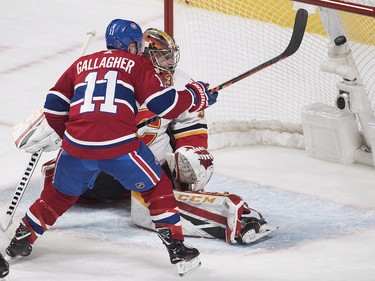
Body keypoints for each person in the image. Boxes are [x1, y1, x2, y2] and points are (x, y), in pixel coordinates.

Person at [10, 28, 276, 247]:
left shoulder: (179, 81)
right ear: (141, 55)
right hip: (112, 168)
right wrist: (61, 132)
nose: (169, 63)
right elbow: (68, 112)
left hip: (147, 164)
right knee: (80, 176)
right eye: (160, 57)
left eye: (169, 56)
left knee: (149, 201)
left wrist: (192, 154)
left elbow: (190, 130)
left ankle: (232, 217)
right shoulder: (119, 77)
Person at [2, 18, 218, 277]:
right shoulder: (137, 64)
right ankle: (177, 249)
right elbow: (164, 104)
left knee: (58, 195)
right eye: (137, 46)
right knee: (156, 186)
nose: (139, 51)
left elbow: (52, 106)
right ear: (131, 46)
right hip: (119, 148)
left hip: (76, 148)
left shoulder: (81, 63)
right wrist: (196, 95)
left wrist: (68, 135)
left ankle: (20, 241)